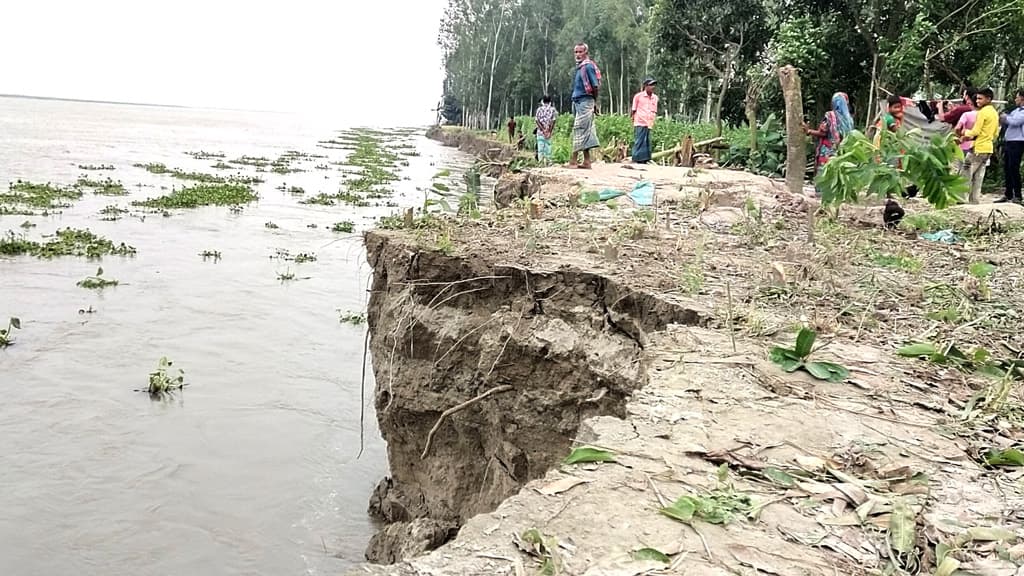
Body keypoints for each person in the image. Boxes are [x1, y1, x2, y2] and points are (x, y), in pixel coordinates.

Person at [961, 87, 1000, 204]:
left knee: (965, 172)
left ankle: (961, 199)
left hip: (979, 147)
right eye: (977, 98)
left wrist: (964, 133)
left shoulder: (983, 112)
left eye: (980, 98)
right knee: (979, 175)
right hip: (988, 148)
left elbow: (975, 131)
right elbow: (996, 133)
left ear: (988, 99)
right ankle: (975, 200)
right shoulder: (994, 112)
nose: (977, 101)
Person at [804, 92, 854, 177]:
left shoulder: (831, 115)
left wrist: (808, 131)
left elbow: (823, 132)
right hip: (842, 152)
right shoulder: (849, 119)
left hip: (827, 151)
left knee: (823, 175)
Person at [569, 43, 601, 169]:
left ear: (586, 53)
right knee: (586, 129)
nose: (577, 55)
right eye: (576, 52)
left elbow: (595, 86)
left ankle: (573, 160)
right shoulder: (580, 67)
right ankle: (587, 161)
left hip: (585, 101)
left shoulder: (587, 67)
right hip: (578, 101)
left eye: (580, 52)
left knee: (579, 129)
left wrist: (594, 102)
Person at [999, 88, 1024, 203]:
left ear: (1022, 98)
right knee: (1007, 168)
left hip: (1018, 142)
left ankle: (1018, 195)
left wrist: (1005, 117)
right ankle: (1008, 194)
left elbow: (1015, 122)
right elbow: (1009, 119)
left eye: (1017, 97)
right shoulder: (1016, 111)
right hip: (1009, 141)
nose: (1015, 99)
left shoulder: (1023, 112)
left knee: (1014, 168)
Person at [630, 78, 658, 164]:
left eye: (653, 85)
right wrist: (632, 118)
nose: (652, 87)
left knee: (647, 141)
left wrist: (653, 120)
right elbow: (634, 109)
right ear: (645, 86)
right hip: (640, 121)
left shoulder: (655, 98)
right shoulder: (638, 96)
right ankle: (636, 158)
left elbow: (654, 110)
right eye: (650, 85)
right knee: (639, 140)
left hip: (649, 121)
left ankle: (645, 158)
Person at [953, 94, 979, 176]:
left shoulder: (966, 115)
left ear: (971, 104)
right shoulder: (983, 115)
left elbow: (957, 128)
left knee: (960, 171)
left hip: (963, 145)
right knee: (975, 173)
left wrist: (960, 136)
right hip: (977, 146)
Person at [534, 95, 557, 162]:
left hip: (540, 132)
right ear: (550, 101)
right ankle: (548, 161)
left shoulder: (539, 109)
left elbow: (537, 120)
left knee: (540, 147)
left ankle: (540, 161)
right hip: (548, 132)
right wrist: (549, 131)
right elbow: (553, 121)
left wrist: (543, 129)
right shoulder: (552, 109)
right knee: (548, 147)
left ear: (543, 101)